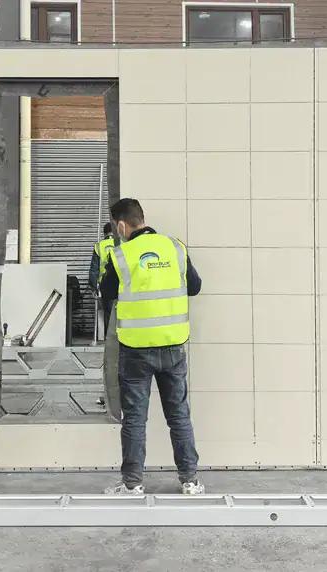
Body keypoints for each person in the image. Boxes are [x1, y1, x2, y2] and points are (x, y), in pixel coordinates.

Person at [100, 198, 204, 495]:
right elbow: (195, 287)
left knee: (135, 419)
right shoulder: (175, 247)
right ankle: (190, 481)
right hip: (173, 347)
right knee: (179, 416)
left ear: (121, 225)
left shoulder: (121, 256)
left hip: (136, 350)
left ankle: (133, 485)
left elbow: (106, 292)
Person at [89, 222, 115, 334]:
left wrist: (94, 287)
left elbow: (93, 270)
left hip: (105, 285)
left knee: (108, 312)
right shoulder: (122, 244)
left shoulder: (99, 246)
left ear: (104, 233)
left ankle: (109, 337)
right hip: (122, 284)